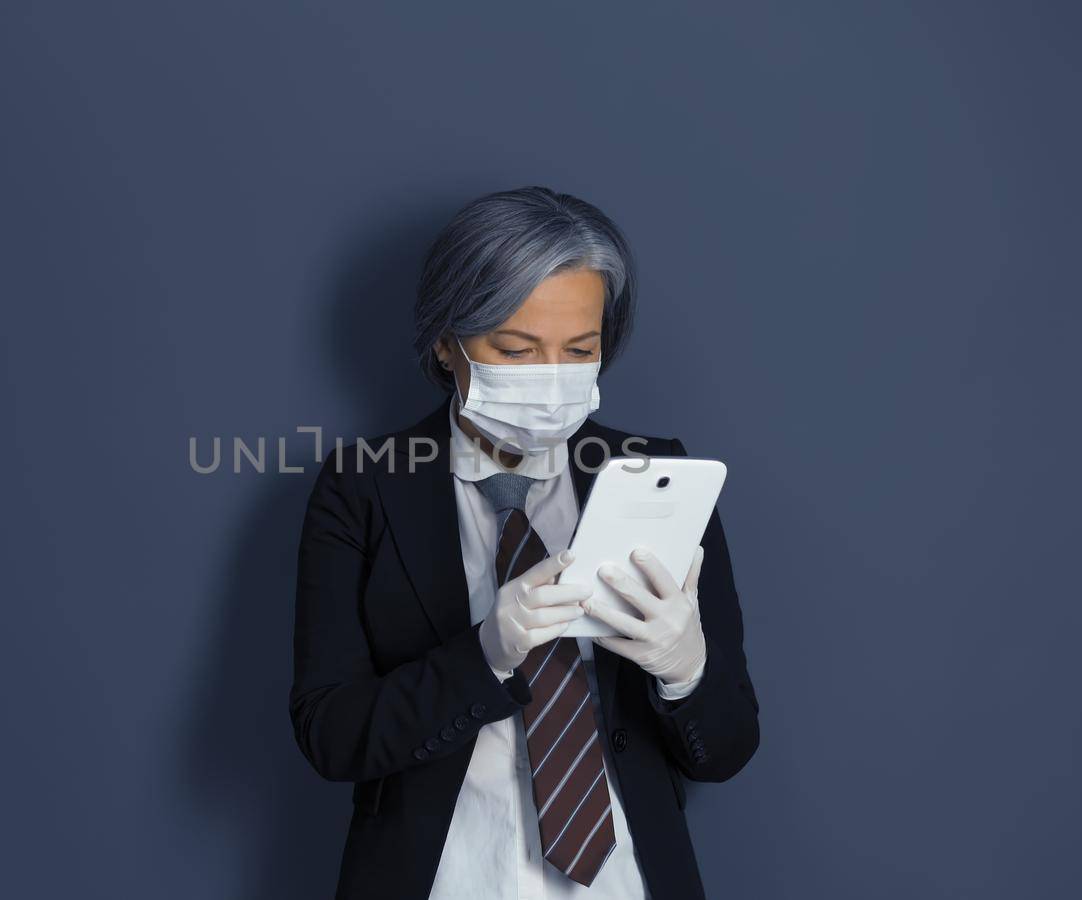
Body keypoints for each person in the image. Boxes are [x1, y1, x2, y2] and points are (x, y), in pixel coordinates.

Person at [289, 186, 760, 899]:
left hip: (624, 880)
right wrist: (482, 657)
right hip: (442, 876)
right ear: (447, 344)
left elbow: (725, 750)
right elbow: (330, 734)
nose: (550, 381)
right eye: (515, 348)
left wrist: (686, 668)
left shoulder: (659, 475)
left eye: (579, 350)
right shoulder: (364, 487)